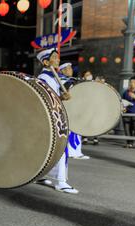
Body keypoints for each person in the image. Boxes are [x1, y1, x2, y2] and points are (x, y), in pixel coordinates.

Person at [36, 48, 79, 194]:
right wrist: (61, 98)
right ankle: (61, 182)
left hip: (55, 116)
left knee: (48, 148)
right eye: (54, 57)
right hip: (51, 117)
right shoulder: (44, 78)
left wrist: (62, 96)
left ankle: (40, 175)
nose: (58, 59)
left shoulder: (54, 77)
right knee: (60, 147)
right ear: (46, 61)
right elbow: (45, 99)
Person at [59, 63, 90, 160]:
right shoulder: (63, 81)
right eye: (68, 68)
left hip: (74, 110)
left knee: (76, 132)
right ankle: (73, 152)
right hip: (68, 110)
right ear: (62, 71)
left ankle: (76, 151)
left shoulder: (71, 80)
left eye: (71, 68)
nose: (70, 70)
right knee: (72, 131)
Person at [122, 75, 135, 150]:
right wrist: (123, 108)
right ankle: (129, 143)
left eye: (134, 82)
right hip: (127, 113)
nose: (132, 83)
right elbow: (123, 101)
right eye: (131, 82)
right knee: (127, 128)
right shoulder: (126, 92)